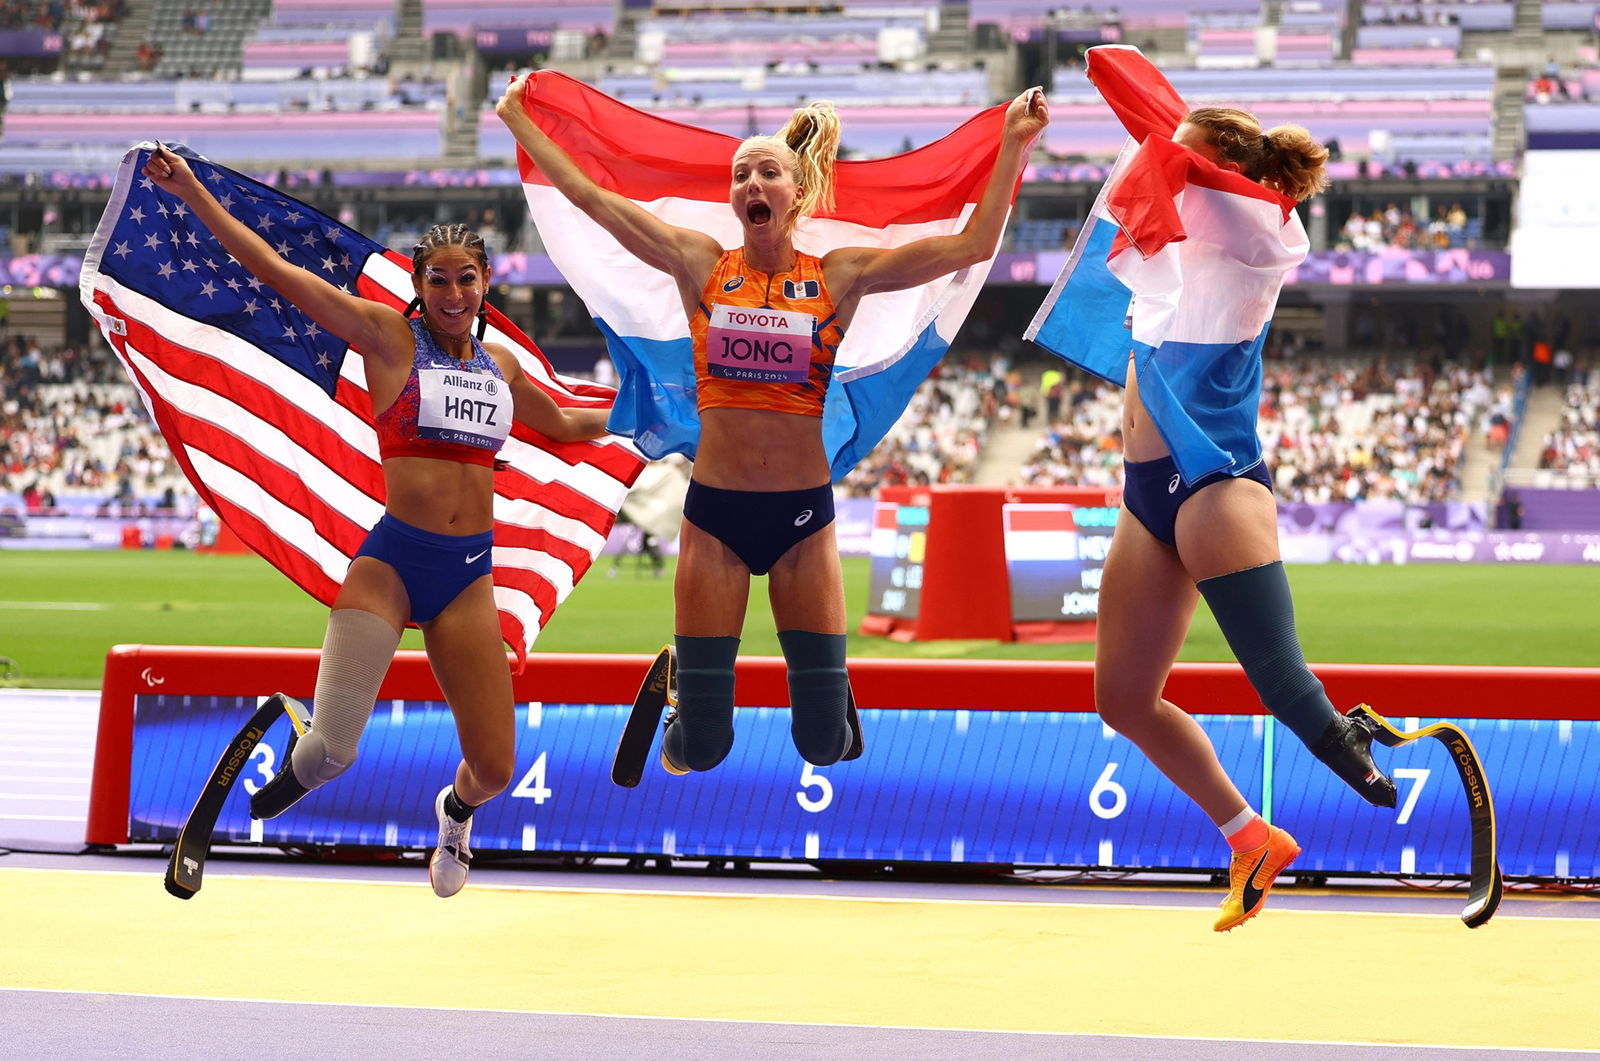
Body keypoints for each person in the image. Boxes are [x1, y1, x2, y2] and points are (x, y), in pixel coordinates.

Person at [496, 73, 1048, 775]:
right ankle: (677, 698)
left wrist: (1011, 142)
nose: (752, 183)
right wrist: (517, 118)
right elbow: (591, 200)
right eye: (740, 175)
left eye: (767, 172)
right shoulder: (699, 263)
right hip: (715, 518)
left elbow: (969, 247)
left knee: (825, 745)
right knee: (703, 748)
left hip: (802, 523)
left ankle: (829, 695)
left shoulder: (838, 276)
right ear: (734, 199)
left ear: (795, 192)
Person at [139, 146, 614, 897]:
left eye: (467, 277)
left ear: (487, 283)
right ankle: (295, 729)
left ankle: (453, 816)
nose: (453, 290)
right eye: (438, 278)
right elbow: (276, 271)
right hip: (392, 565)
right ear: (419, 288)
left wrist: (663, 418)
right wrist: (193, 190)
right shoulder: (389, 339)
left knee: (494, 768)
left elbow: (567, 423)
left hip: (466, 581)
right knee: (332, 755)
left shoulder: (506, 370)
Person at [1083, 109, 1398, 931]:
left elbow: (1201, 186)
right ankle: (1248, 834)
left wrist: (1188, 160)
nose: (1164, 165)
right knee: (1121, 697)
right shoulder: (1182, 235)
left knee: (1279, 679)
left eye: (1186, 154)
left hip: (1216, 484)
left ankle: (1342, 742)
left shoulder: (1261, 232)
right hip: (1147, 492)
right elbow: (1148, 161)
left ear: (1222, 167)